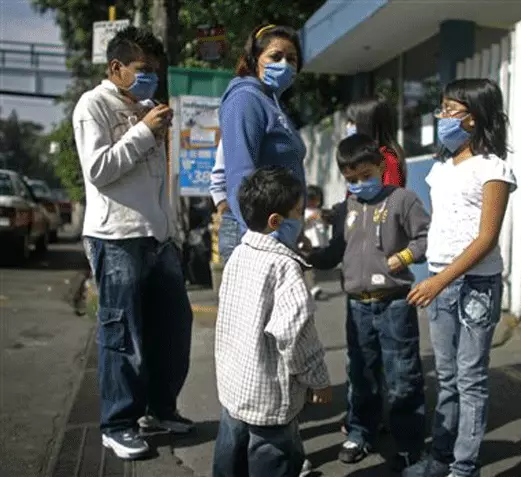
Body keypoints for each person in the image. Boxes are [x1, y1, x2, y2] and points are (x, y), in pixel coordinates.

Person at [73, 26, 193, 460]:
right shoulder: (93, 105)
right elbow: (99, 170)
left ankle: (160, 409)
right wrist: (143, 132)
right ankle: (118, 423)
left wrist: (170, 230)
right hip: (117, 237)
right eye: (143, 71)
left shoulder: (146, 108)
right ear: (116, 68)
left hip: (158, 237)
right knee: (123, 335)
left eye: (155, 73)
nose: (151, 80)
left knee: (172, 331)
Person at [402, 78, 517, 477]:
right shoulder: (440, 168)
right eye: (442, 109)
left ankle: (464, 467)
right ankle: (441, 459)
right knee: (447, 378)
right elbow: (443, 225)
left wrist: (439, 281)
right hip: (440, 281)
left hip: (474, 287)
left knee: (470, 379)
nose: (442, 117)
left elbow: (486, 239)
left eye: (451, 110)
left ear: (475, 117)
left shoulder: (493, 169)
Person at [308, 134, 429, 472]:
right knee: (360, 372)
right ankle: (361, 432)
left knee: (403, 375)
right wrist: (308, 256)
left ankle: (409, 444)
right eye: (351, 180)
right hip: (357, 305)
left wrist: (404, 256)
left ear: (380, 167)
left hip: (395, 304)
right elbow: (335, 252)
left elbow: (423, 238)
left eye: (366, 176)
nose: (360, 184)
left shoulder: (403, 200)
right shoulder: (345, 209)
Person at [213, 167, 332, 477]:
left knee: (230, 459)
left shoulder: (239, 254)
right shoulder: (285, 268)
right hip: (269, 397)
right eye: (298, 212)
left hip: (234, 388)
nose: (302, 218)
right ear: (276, 221)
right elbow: (295, 335)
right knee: (272, 459)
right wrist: (317, 379)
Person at [212, 24, 307, 264]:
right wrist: (263, 236)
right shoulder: (245, 99)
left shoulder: (273, 104)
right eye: (276, 56)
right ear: (255, 59)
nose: (285, 64)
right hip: (256, 235)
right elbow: (241, 175)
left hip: (277, 231)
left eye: (292, 59)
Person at [346, 96, 407, 187]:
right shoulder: (365, 157)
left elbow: (391, 198)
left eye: (352, 122)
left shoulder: (387, 159)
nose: (348, 126)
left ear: (366, 125)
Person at [304, 185, 329, 300]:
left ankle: (310, 286)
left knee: (312, 265)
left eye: (317, 200)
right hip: (308, 242)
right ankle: (312, 288)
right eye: (312, 199)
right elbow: (302, 224)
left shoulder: (319, 211)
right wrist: (310, 219)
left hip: (318, 242)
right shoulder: (304, 211)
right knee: (307, 266)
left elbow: (323, 227)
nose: (315, 202)